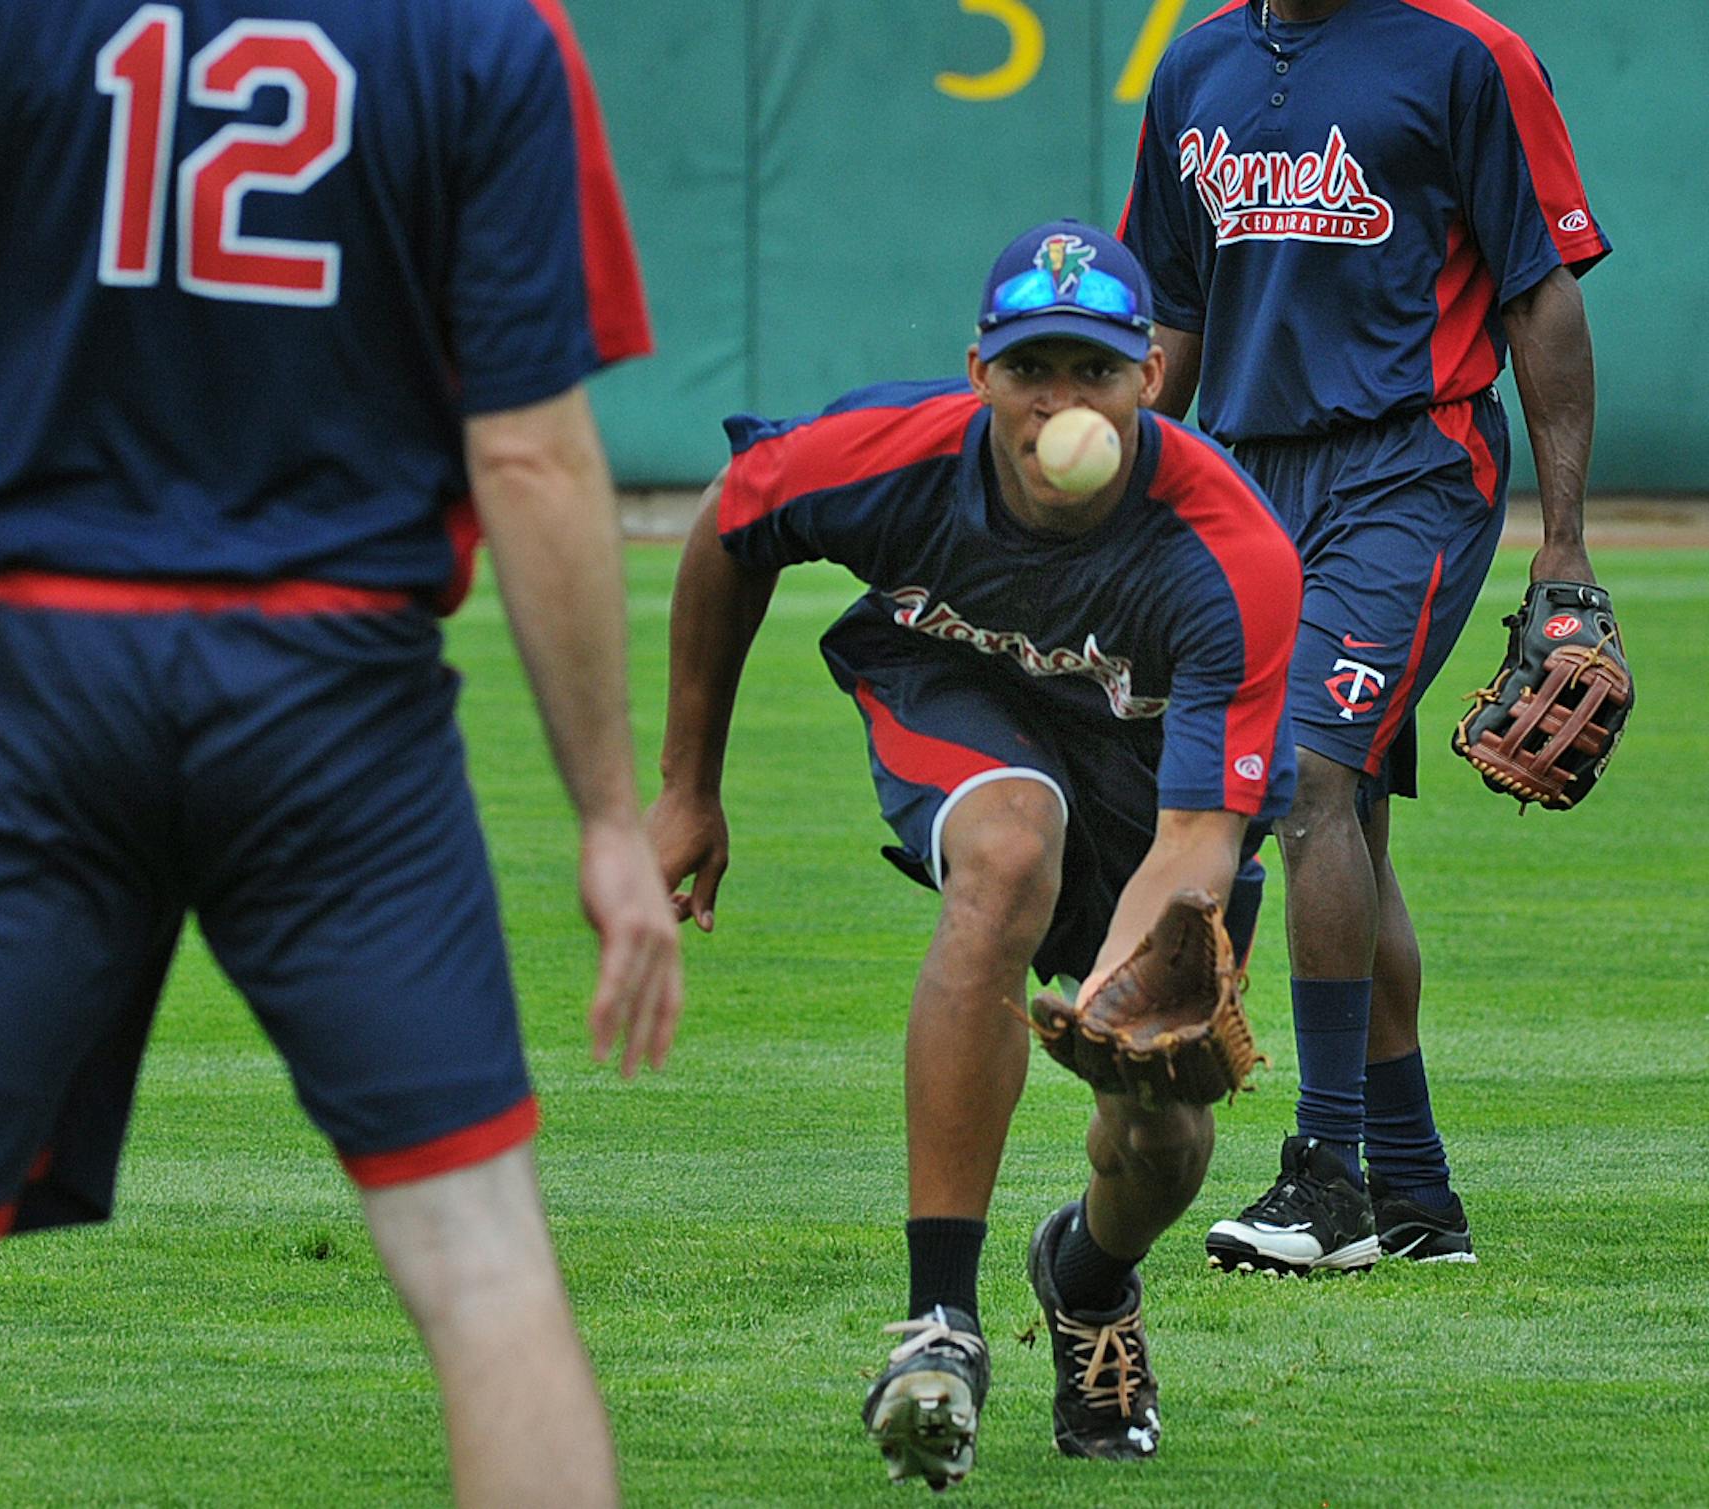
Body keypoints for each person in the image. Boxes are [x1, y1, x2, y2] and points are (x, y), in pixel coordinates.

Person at [0, 1, 683, 1504]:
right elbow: (531, 450)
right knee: (480, 1261)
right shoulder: (487, 26)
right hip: (331, 699)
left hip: (33, 689)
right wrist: (609, 815)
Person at [646, 220, 1301, 1480]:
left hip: (1149, 802)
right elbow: (738, 521)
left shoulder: (1230, 553)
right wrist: (689, 788)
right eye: (1032, 369)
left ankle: (1088, 1277)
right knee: (1006, 854)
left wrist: (1118, 997)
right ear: (979, 371)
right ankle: (939, 1323)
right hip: (954, 698)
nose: (1064, 401)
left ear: (1149, 378)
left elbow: (1197, 835)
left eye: (1096, 370)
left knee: (1156, 1140)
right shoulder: (884, 455)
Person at [1120, 0, 1608, 1274]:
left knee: (1309, 779)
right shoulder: (1198, 63)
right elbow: (1171, 316)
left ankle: (1324, 1175)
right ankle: (1415, 1196)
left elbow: (1540, 301)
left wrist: (1562, 547)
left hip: (1412, 465)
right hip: (1243, 479)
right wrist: (1101, 499)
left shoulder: (1466, 54)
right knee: (1348, 827)